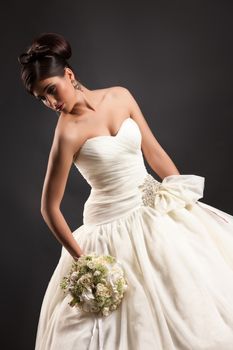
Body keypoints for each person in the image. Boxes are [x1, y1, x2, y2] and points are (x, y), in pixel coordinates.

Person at [18, 32, 233, 350]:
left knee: (191, 297)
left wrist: (180, 198)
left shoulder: (120, 96)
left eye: (51, 90)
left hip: (150, 206)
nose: (51, 103)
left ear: (69, 74)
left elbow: (154, 151)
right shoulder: (66, 133)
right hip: (109, 227)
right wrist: (85, 261)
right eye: (42, 99)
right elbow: (49, 208)